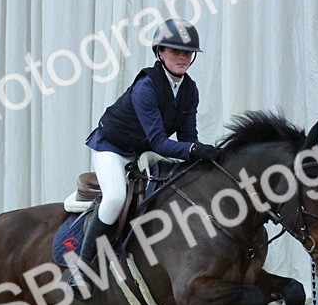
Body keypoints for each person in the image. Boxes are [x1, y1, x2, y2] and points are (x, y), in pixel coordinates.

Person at [69, 17, 220, 290]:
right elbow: (160, 142)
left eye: (188, 52)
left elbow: (187, 138)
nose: (183, 57)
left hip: (143, 152)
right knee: (115, 198)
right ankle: (82, 272)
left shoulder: (189, 90)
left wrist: (202, 155)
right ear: (159, 52)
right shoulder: (146, 87)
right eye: (175, 51)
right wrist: (194, 150)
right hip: (112, 149)